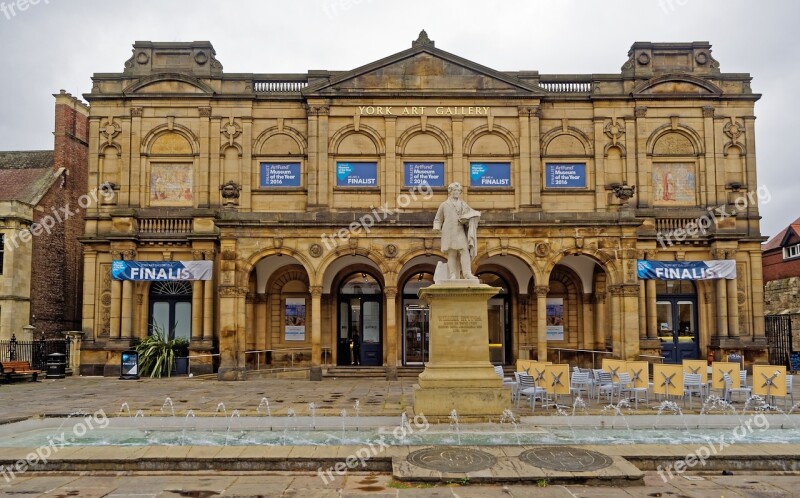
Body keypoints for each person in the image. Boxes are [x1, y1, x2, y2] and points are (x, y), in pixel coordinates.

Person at [433, 182, 480, 279]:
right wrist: (437, 227)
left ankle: (467, 273)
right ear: (450, 191)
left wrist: (470, 218)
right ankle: (452, 274)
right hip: (448, 231)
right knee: (452, 253)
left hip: (460, 231)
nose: (457, 192)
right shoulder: (444, 205)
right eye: (455, 190)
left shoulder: (463, 204)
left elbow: (472, 213)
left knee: (464, 250)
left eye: (459, 190)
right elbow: (438, 219)